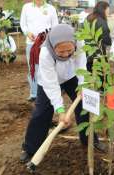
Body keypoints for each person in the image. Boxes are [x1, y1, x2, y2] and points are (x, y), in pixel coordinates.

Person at [20, 24, 106, 163]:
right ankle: (31, 149)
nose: (66, 55)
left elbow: (82, 67)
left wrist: (83, 87)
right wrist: (60, 110)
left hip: (72, 76)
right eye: (61, 52)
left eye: (69, 51)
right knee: (41, 113)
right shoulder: (45, 54)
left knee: (85, 107)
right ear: (53, 47)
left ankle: (90, 140)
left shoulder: (79, 44)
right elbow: (51, 85)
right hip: (50, 81)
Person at [20, 0, 58, 102]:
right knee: (33, 68)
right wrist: (27, 33)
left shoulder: (51, 8)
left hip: (47, 45)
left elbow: (55, 26)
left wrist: (50, 39)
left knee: (48, 68)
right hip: (31, 44)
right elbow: (23, 24)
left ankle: (49, 93)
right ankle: (34, 93)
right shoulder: (26, 7)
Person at [86, 1, 112, 72]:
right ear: (104, 9)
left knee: (90, 74)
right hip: (99, 54)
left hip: (88, 53)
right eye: (108, 9)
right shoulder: (102, 22)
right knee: (100, 77)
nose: (108, 11)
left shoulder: (89, 17)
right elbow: (107, 41)